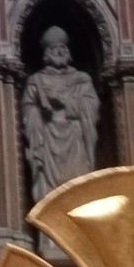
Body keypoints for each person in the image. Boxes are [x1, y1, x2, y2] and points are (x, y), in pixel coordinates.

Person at [21, 26, 100, 203]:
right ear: (46, 52)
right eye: (54, 48)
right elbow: (27, 109)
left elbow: (91, 107)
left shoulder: (81, 79)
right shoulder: (36, 80)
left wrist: (64, 101)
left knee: (79, 187)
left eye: (62, 47)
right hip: (47, 137)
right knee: (50, 195)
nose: (59, 51)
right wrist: (40, 112)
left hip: (75, 137)